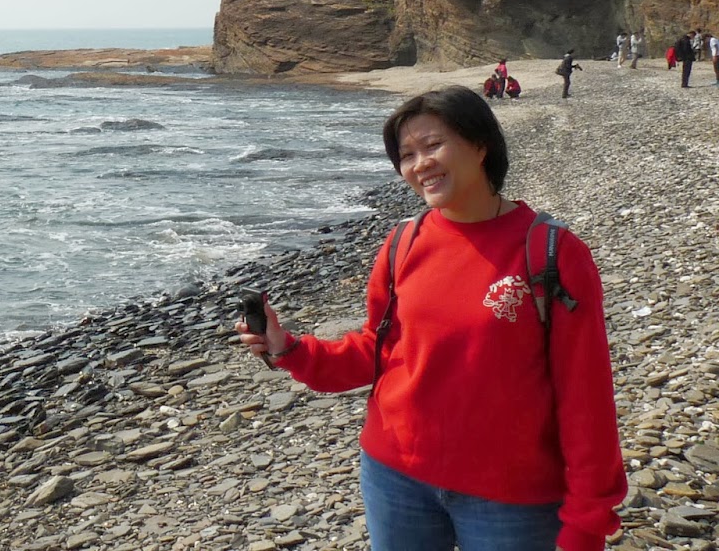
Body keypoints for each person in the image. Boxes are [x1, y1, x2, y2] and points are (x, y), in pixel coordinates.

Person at [237, 86, 624, 551]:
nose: (420, 164)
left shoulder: (552, 251)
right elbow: (378, 351)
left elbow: (585, 393)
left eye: (433, 145)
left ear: (480, 144)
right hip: (394, 479)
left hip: (512, 498)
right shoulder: (403, 242)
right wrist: (290, 349)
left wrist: (587, 520)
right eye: (407, 155)